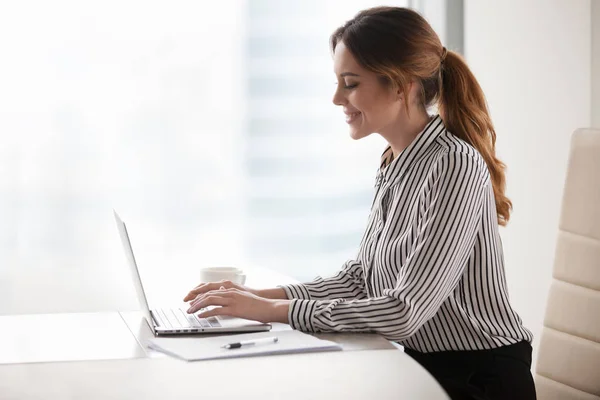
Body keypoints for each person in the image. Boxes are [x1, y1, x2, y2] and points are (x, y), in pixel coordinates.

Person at [183, 6, 536, 400]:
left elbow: (404, 312)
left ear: (401, 85)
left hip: (478, 379)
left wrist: (273, 312)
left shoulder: (454, 164)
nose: (337, 99)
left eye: (350, 83)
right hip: (418, 365)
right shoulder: (394, 161)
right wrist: (254, 298)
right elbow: (361, 278)